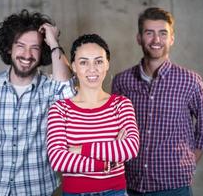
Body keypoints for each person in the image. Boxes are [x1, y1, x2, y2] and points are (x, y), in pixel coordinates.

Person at [0, 9, 75, 196]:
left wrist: (54, 42)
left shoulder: (50, 89)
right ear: (9, 48)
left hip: (37, 189)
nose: (27, 54)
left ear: (43, 53)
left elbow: (68, 93)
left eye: (35, 48)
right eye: (20, 45)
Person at [112, 7, 203, 196]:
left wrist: (190, 161)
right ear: (139, 38)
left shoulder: (190, 81)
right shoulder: (122, 81)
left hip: (174, 187)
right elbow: (113, 127)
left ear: (172, 39)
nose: (156, 40)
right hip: (130, 183)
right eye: (149, 33)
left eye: (163, 33)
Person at [47, 34, 139, 196]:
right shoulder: (59, 109)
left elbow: (129, 149)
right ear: (74, 66)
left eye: (98, 61)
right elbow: (58, 159)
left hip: (115, 192)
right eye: (83, 62)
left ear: (107, 64)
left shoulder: (121, 104)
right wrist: (105, 163)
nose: (92, 69)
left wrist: (80, 149)